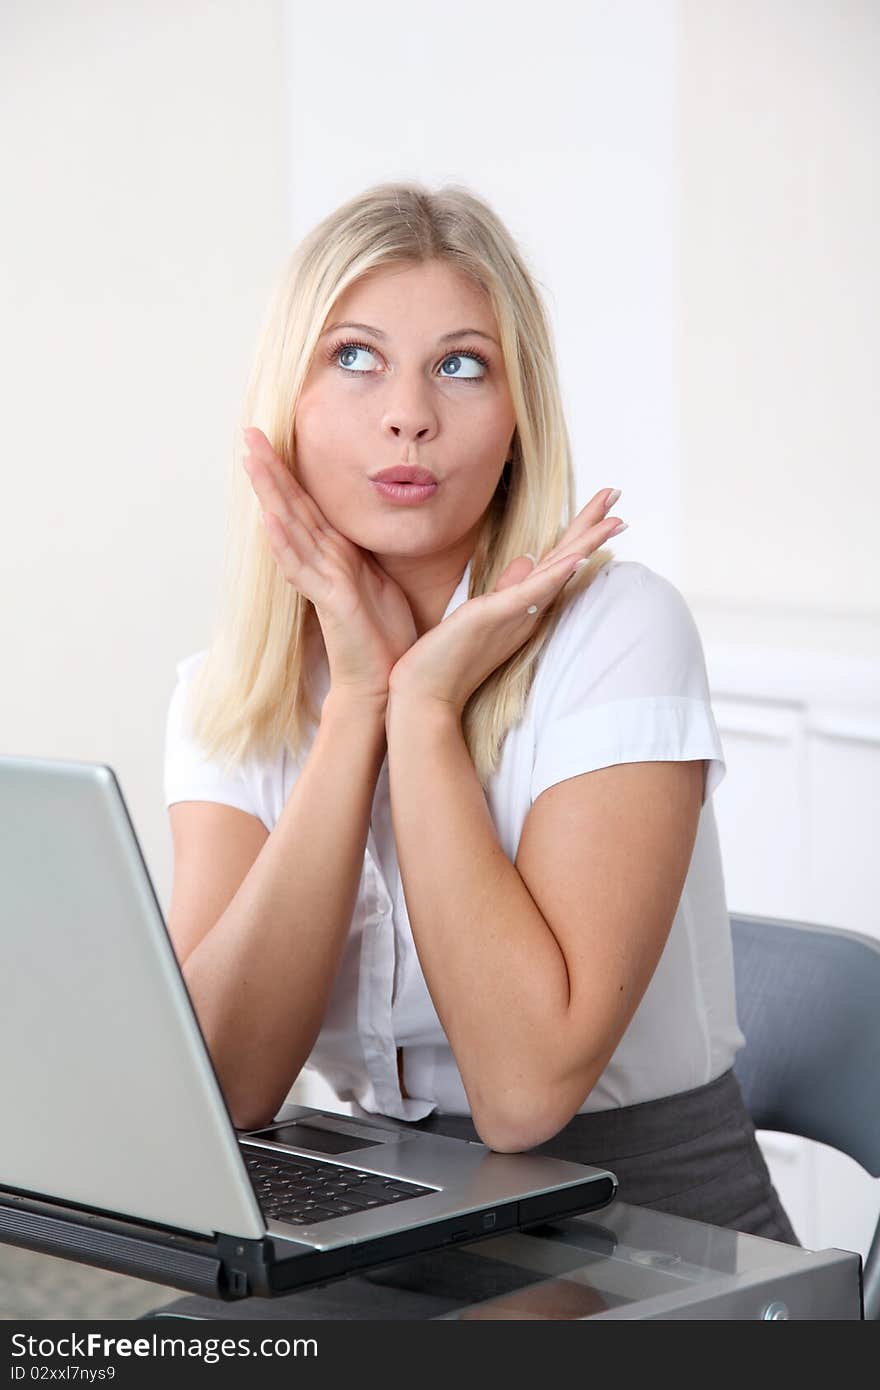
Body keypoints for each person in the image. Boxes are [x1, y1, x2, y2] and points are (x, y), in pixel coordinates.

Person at [160, 181, 797, 1318]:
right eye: (354, 358)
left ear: (516, 419)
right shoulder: (230, 688)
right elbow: (220, 1088)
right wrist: (360, 704)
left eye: (459, 365)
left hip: (649, 1238)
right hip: (374, 1223)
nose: (407, 415)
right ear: (287, 401)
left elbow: (519, 1096)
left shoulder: (623, 633)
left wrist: (424, 714)